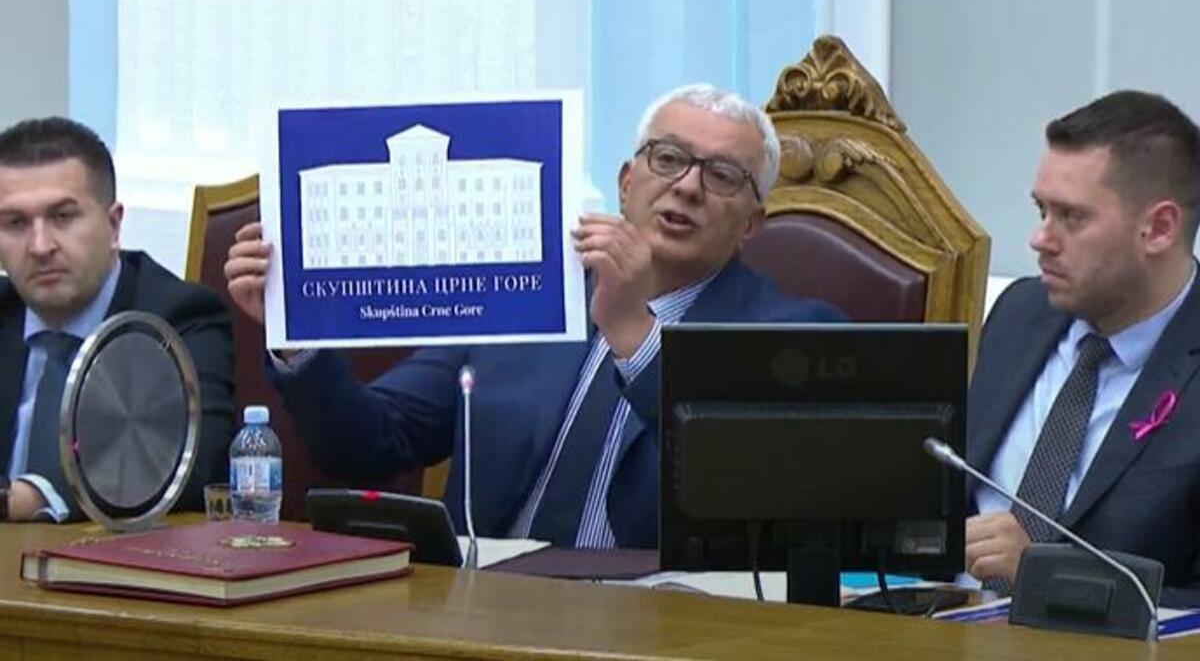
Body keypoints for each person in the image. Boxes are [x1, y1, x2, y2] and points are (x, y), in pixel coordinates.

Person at [225, 84, 842, 548]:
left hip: (662, 626)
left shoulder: (791, 336)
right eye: (667, 158)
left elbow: (753, 493)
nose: (686, 186)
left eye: (722, 175)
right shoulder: (529, 292)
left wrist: (636, 335)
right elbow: (371, 443)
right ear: (627, 182)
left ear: (751, 225)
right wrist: (295, 332)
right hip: (484, 613)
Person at [965, 90, 1200, 607]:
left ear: (1159, 228)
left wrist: (1051, 577)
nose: (1039, 239)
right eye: (1041, 210)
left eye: (1071, 217)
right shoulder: (1018, 313)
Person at [0, 117, 236, 522]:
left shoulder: (179, 318)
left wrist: (24, 498)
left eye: (62, 216)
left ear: (113, 225)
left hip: (109, 557)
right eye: (16, 223)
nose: (40, 246)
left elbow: (185, 465)